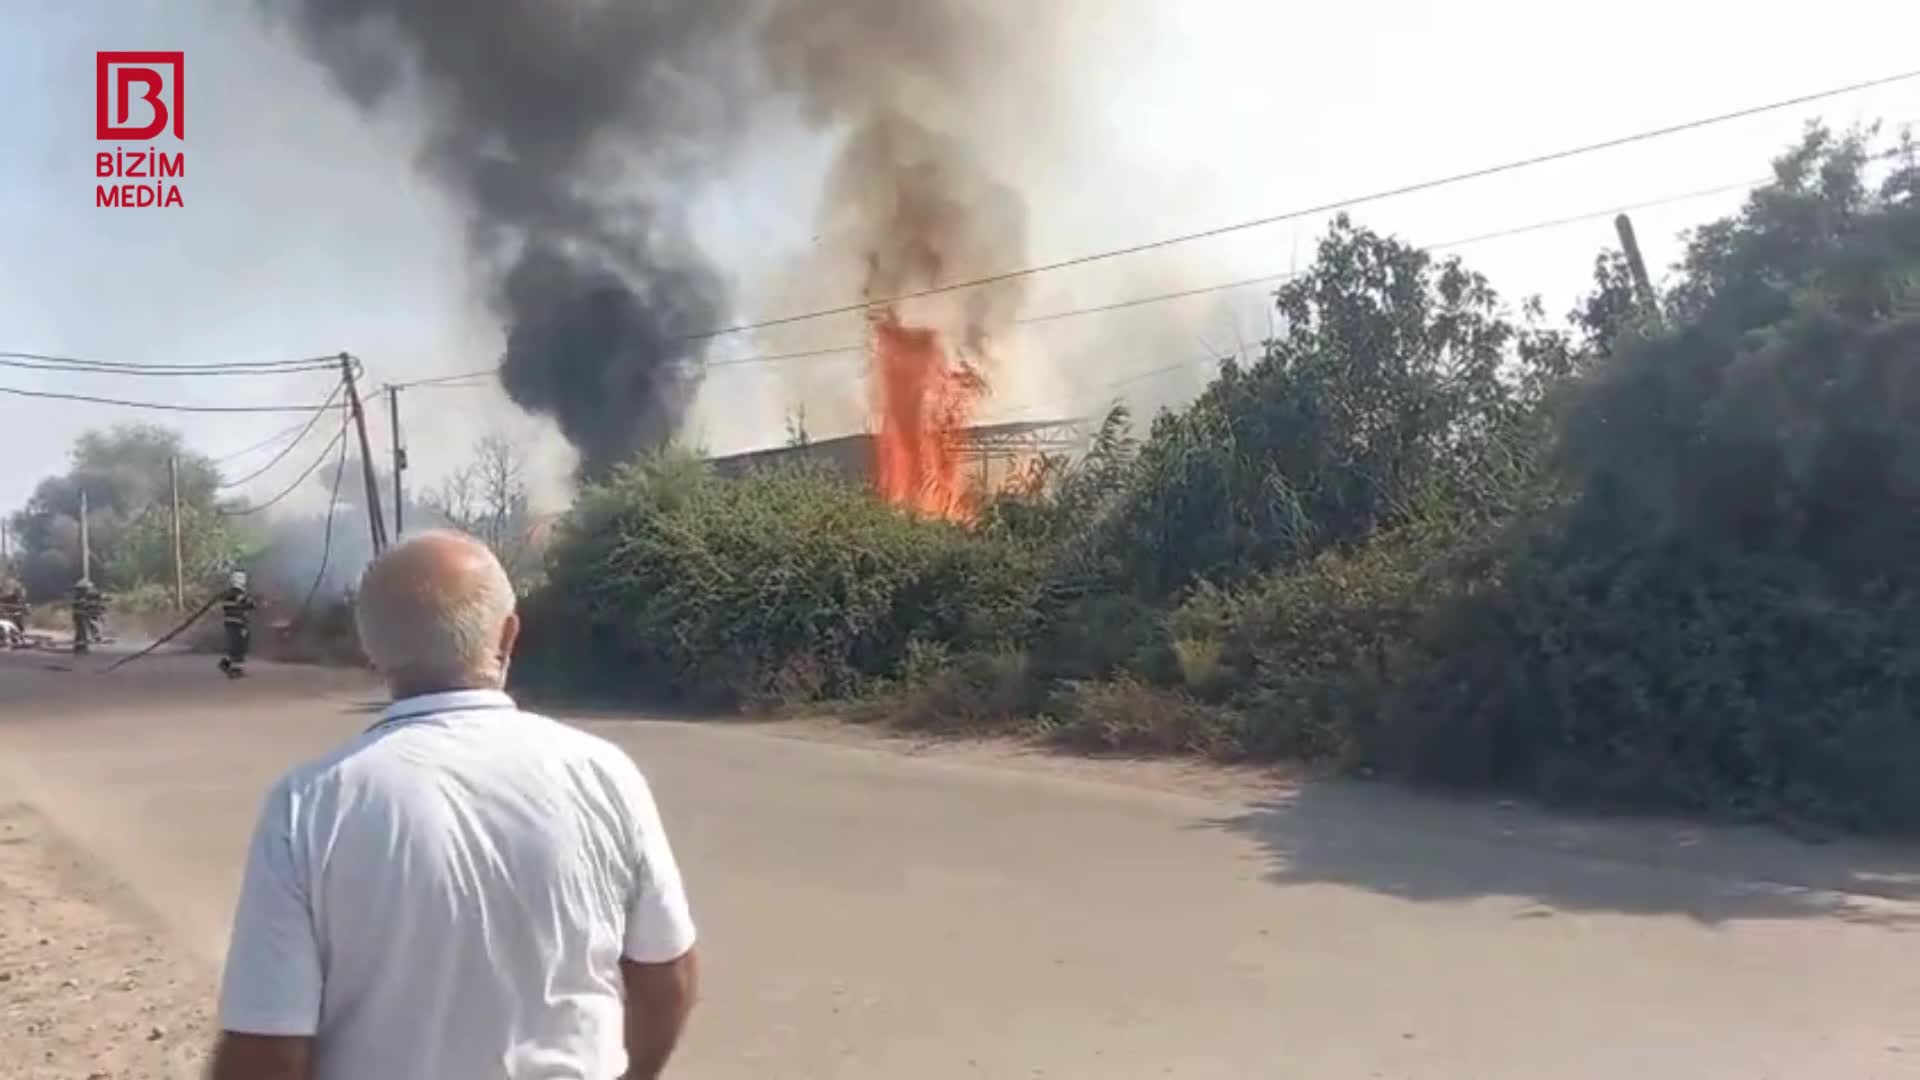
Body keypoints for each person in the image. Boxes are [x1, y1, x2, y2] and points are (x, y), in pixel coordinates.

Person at [210, 530, 699, 1080]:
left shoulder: (308, 804)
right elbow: (668, 977)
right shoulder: (604, 773)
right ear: (509, 634)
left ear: (371, 649)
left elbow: (265, 1050)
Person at [216, 570, 257, 678]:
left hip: (229, 623)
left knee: (235, 646)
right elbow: (250, 605)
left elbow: (227, 606)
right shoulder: (239, 594)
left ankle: (226, 664)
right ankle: (235, 670)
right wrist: (255, 602)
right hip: (239, 623)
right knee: (240, 646)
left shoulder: (228, 593)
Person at [70, 578, 106, 654]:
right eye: (83, 589)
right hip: (80, 615)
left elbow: (98, 603)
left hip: (86, 615)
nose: (84, 591)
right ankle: (81, 648)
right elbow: (77, 606)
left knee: (84, 630)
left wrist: (98, 609)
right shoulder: (79, 597)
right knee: (81, 631)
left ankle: (82, 646)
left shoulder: (89, 595)